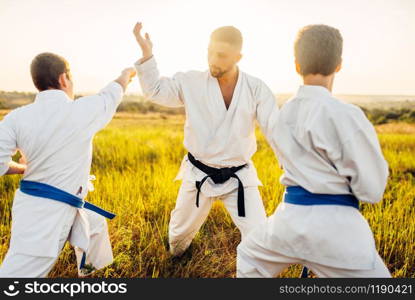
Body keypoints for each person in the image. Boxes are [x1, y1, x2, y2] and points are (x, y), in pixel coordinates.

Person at [236, 24, 391, 277]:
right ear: (338, 65)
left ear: (297, 65)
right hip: (340, 231)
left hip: (288, 223)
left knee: (249, 256)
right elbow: (372, 190)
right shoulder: (346, 114)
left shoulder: (282, 115)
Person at [133, 22, 279, 257]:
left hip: (238, 176)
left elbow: (275, 128)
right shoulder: (191, 81)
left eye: (220, 55)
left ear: (238, 57)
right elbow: (156, 90)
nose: (212, 59)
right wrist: (147, 54)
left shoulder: (256, 88)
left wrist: (293, 165)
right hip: (199, 173)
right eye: (209, 52)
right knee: (178, 239)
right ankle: (175, 263)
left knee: (259, 236)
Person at [0, 52, 136, 277]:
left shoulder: (16, 118)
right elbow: (112, 92)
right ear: (64, 79)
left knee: (95, 225)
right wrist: (126, 74)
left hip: (45, 204)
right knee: (17, 278)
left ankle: (91, 274)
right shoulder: (81, 110)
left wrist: (24, 168)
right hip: (43, 215)